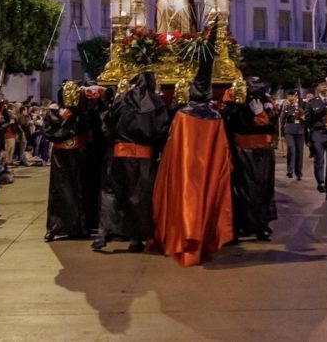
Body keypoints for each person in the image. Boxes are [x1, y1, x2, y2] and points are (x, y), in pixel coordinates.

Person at [152, 21, 234, 266]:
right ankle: (203, 237)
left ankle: (186, 238)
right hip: (207, 175)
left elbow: (171, 152)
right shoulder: (216, 119)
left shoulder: (183, 117)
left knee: (186, 199)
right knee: (206, 198)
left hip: (185, 175)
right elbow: (222, 157)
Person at [94, 72, 169, 253]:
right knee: (139, 198)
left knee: (111, 193)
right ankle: (136, 239)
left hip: (118, 153)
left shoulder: (121, 99)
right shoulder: (156, 103)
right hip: (143, 157)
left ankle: (103, 232)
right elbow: (161, 131)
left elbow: (108, 124)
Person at [222, 78, 278, 242]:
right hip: (243, 152)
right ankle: (241, 225)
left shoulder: (265, 104)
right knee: (243, 190)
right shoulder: (235, 106)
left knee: (262, 189)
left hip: (260, 151)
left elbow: (271, 127)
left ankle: (260, 225)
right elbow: (238, 127)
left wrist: (262, 115)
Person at [42, 82, 88, 242]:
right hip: (60, 156)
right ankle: (55, 227)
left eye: (73, 93)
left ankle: (78, 227)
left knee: (77, 190)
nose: (70, 97)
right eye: (67, 93)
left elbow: (83, 130)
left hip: (77, 154)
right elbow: (50, 133)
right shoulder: (53, 113)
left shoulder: (81, 113)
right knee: (58, 191)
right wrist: (65, 125)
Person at [305, 79, 327, 201]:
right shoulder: (312, 102)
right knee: (319, 159)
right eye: (322, 85)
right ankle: (321, 182)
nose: (324, 87)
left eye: (326, 85)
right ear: (317, 87)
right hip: (318, 134)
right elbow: (308, 121)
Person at [278, 90, 304, 178]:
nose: (290, 98)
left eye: (292, 96)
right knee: (291, 149)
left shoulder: (302, 106)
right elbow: (282, 121)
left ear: (296, 97)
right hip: (289, 131)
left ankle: (298, 172)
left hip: (300, 131)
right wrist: (281, 134)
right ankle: (290, 170)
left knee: (299, 152)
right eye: (289, 96)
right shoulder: (286, 108)